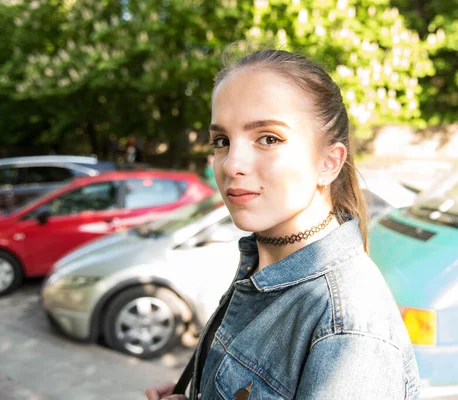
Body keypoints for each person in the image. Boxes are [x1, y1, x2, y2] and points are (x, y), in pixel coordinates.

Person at [145, 48, 420, 400]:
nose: (231, 164)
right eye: (222, 141)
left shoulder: (347, 330)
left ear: (329, 163)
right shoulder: (264, 264)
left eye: (269, 138)